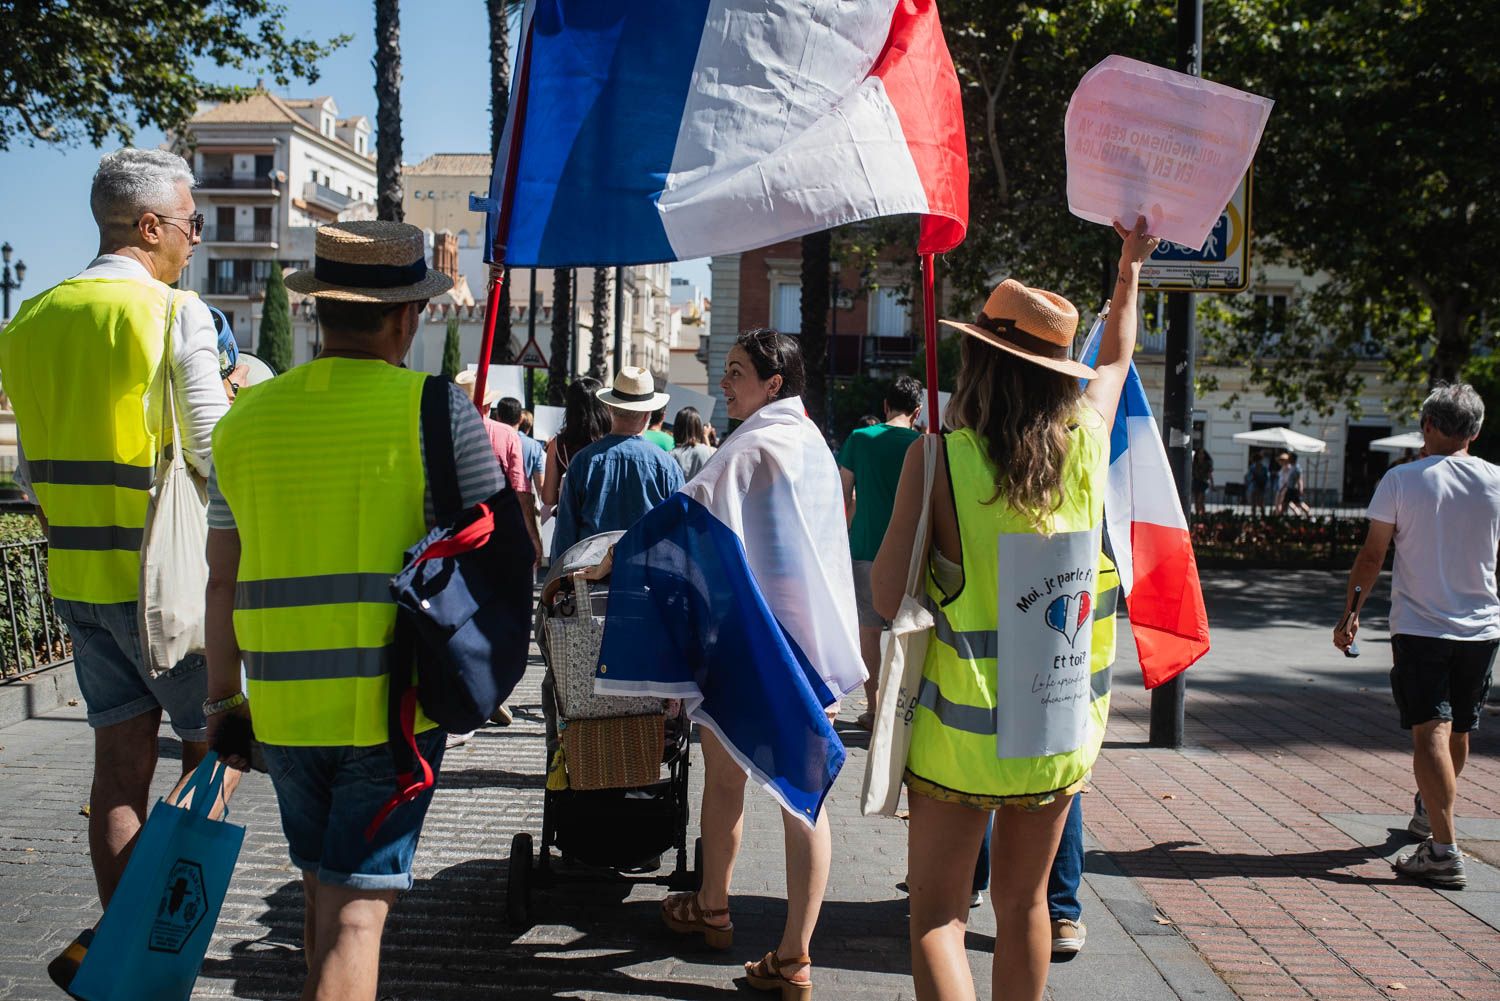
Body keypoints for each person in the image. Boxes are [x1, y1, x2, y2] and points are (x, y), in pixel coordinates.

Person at [202, 221, 504, 1001]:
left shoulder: (242, 423)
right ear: (407, 317)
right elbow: (499, 543)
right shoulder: (434, 408)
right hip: (392, 705)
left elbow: (220, 580)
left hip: (282, 711)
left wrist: (220, 700)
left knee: (321, 894)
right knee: (357, 918)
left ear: (318, 313)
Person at [871, 218, 1155, 1001]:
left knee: (934, 915)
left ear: (976, 357)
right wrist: (1129, 266)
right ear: (1060, 371)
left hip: (958, 738)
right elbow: (1120, 356)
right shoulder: (1091, 444)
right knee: (1027, 903)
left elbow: (885, 592)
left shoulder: (936, 457)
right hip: (1055, 729)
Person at [0, 147, 236, 909]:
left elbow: (31, 470)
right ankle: (161, 937)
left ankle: (122, 952)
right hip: (171, 588)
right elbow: (215, 448)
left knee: (118, 771)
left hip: (77, 580)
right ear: (150, 225)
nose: (196, 236)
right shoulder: (174, 311)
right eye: (191, 221)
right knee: (218, 754)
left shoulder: (30, 318)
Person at [659, 329, 863, 998]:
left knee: (724, 780)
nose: (725, 383)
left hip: (749, 642)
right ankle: (792, 954)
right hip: (809, 643)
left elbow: (688, 513)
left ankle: (713, 906)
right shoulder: (812, 443)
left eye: (738, 372)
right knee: (805, 802)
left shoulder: (755, 440)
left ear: (775, 383)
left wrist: (615, 557)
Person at [1335, 383, 1500, 890]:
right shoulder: (1496, 480)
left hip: (1422, 625)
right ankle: (1431, 816)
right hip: (1482, 626)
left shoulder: (1402, 479)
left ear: (1428, 425)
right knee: (1459, 728)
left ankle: (1445, 850)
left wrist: (1351, 613)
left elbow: (1371, 555)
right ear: (1475, 430)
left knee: (1430, 726)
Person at [838, 375, 923, 730]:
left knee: (868, 634)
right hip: (911, 554)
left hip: (864, 548)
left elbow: (842, 496)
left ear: (885, 406)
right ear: (916, 411)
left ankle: (873, 711)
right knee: (908, 635)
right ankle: (903, 714)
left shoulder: (859, 439)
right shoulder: (923, 444)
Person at [550, 368, 684, 559]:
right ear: (648, 414)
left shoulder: (583, 461)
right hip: (646, 578)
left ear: (610, 408)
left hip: (589, 577)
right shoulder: (667, 466)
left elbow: (566, 531)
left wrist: (561, 580)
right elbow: (678, 532)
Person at [541, 376, 611, 509]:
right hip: (607, 520)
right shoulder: (613, 441)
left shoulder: (558, 445)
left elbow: (548, 498)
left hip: (571, 523)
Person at [505, 400, 546, 496]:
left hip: (497, 500)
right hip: (522, 498)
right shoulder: (534, 446)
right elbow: (540, 485)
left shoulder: (493, 437)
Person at [670, 405, 716, 479]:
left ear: (676, 429)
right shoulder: (711, 452)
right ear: (699, 428)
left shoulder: (670, 456)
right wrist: (705, 436)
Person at [1192, 447, 1214, 517]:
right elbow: (1192, 473)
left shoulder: (1207, 463)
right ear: (1197, 455)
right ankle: (1197, 514)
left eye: (1202, 454)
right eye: (1199, 454)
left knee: (1200, 500)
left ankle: (1202, 515)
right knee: (1196, 501)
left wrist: (1212, 484)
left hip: (1203, 483)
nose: (1201, 455)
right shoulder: (1194, 463)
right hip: (1196, 482)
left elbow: (1209, 474)